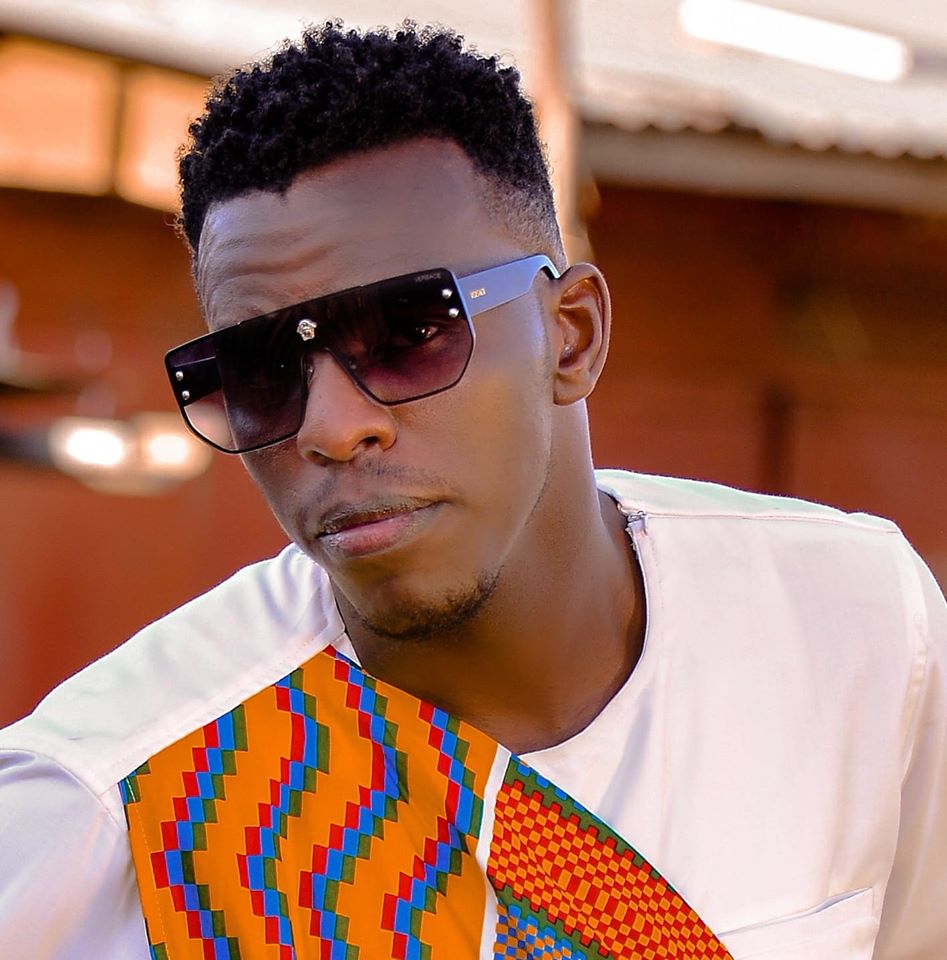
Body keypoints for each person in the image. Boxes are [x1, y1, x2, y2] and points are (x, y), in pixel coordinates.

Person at [1, 21, 945, 960]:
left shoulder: (846, 623)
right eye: (259, 372)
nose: (332, 427)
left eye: (409, 332)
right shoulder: (119, 805)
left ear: (570, 336)